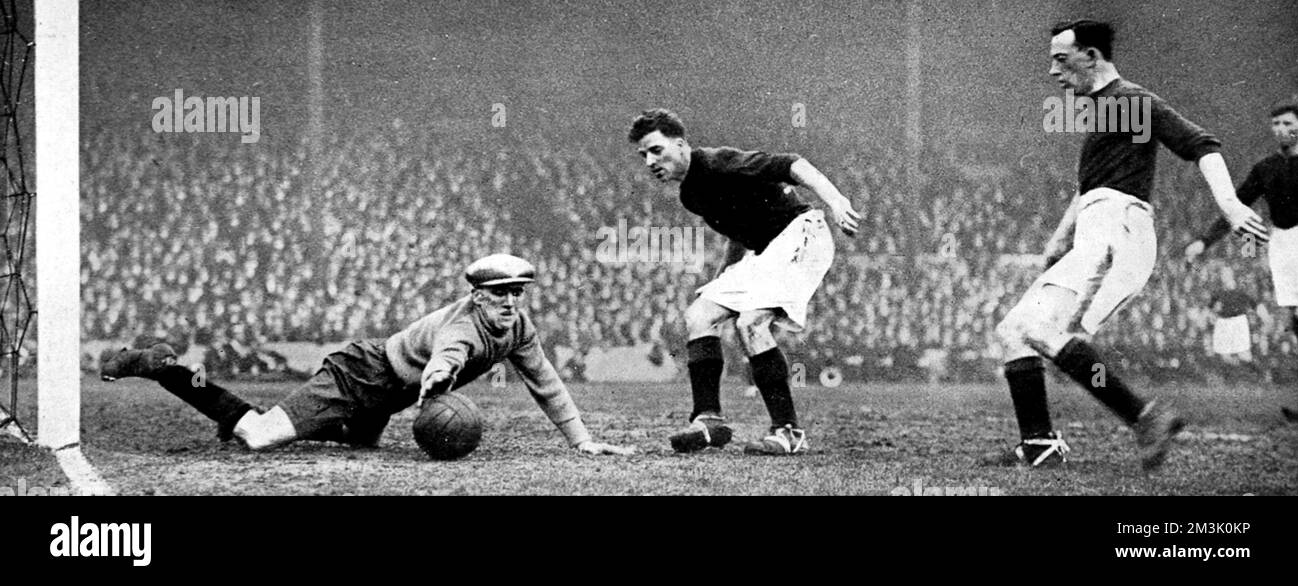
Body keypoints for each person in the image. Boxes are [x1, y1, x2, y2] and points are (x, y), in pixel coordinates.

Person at [993, 20, 1271, 470]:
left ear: (1092, 57)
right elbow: (1089, 188)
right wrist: (1058, 240)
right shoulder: (1106, 111)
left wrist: (1232, 206)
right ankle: (1040, 444)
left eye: (1061, 60)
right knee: (1014, 332)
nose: (1052, 72)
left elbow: (1203, 145)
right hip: (1098, 230)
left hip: (1116, 232)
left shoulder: (1131, 100)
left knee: (1043, 331)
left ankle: (1144, 417)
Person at [99, 254, 634, 456]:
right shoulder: (464, 327)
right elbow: (449, 356)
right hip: (359, 375)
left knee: (357, 447)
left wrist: (582, 440)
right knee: (260, 438)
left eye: (520, 293)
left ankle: (238, 415)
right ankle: (163, 368)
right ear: (478, 296)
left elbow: (545, 381)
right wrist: (435, 384)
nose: (512, 303)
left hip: (385, 399)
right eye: (501, 294)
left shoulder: (519, 328)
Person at [628, 108, 862, 455]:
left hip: (801, 233)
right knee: (699, 317)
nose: (649, 161)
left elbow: (791, 163)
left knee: (752, 323)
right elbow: (741, 232)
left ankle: (789, 432)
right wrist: (725, 272)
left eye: (656, 150)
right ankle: (709, 420)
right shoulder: (690, 194)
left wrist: (836, 201)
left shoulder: (716, 163)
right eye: (643, 155)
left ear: (680, 145)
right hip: (767, 249)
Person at [1184, 102, 1298, 422]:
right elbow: (1235, 208)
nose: (1280, 129)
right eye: (1275, 123)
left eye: (1287, 123)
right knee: (1296, 317)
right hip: (1283, 240)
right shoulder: (1266, 168)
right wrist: (1204, 241)